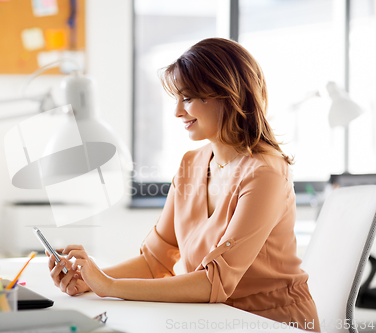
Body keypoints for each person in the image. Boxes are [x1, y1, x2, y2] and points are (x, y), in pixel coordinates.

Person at [47, 37, 320, 331]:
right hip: (214, 320)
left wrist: (109, 286)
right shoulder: (191, 164)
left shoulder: (265, 173)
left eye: (187, 98)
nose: (177, 112)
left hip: (273, 322)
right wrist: (89, 280)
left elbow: (215, 283)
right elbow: (155, 262)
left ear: (229, 95)